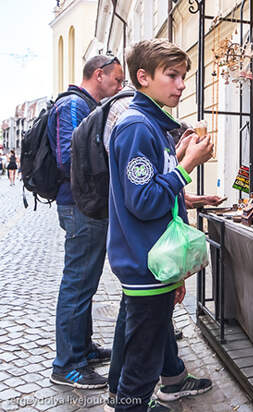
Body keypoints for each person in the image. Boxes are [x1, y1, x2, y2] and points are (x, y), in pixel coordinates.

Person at [108, 39, 217, 411]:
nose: (181, 84)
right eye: (172, 75)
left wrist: (181, 159)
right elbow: (143, 202)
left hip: (154, 261)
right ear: (143, 78)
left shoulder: (153, 126)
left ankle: (149, 393)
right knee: (142, 364)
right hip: (146, 263)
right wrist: (188, 167)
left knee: (147, 346)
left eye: (183, 76)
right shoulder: (137, 127)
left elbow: (154, 189)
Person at [47, 55, 124, 389]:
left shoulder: (86, 105)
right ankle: (67, 365)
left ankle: (83, 349)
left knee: (86, 283)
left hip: (86, 206)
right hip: (80, 207)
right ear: (98, 75)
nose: (120, 87)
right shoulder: (74, 106)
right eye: (117, 80)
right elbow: (69, 159)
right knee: (77, 285)